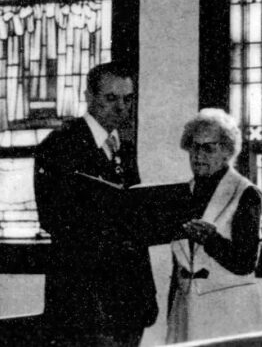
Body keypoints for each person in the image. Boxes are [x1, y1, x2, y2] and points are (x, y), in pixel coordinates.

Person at [34, 62, 158, 346]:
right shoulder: (60, 145)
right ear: (89, 97)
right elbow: (54, 218)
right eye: (111, 98)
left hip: (129, 298)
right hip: (85, 298)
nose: (121, 107)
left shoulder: (123, 148)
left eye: (128, 99)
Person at [166, 108, 262, 344]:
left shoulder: (245, 194)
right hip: (186, 310)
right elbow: (178, 262)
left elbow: (246, 261)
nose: (198, 155)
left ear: (227, 152)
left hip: (229, 312)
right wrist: (172, 314)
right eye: (194, 147)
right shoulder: (181, 194)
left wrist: (211, 239)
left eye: (208, 148)